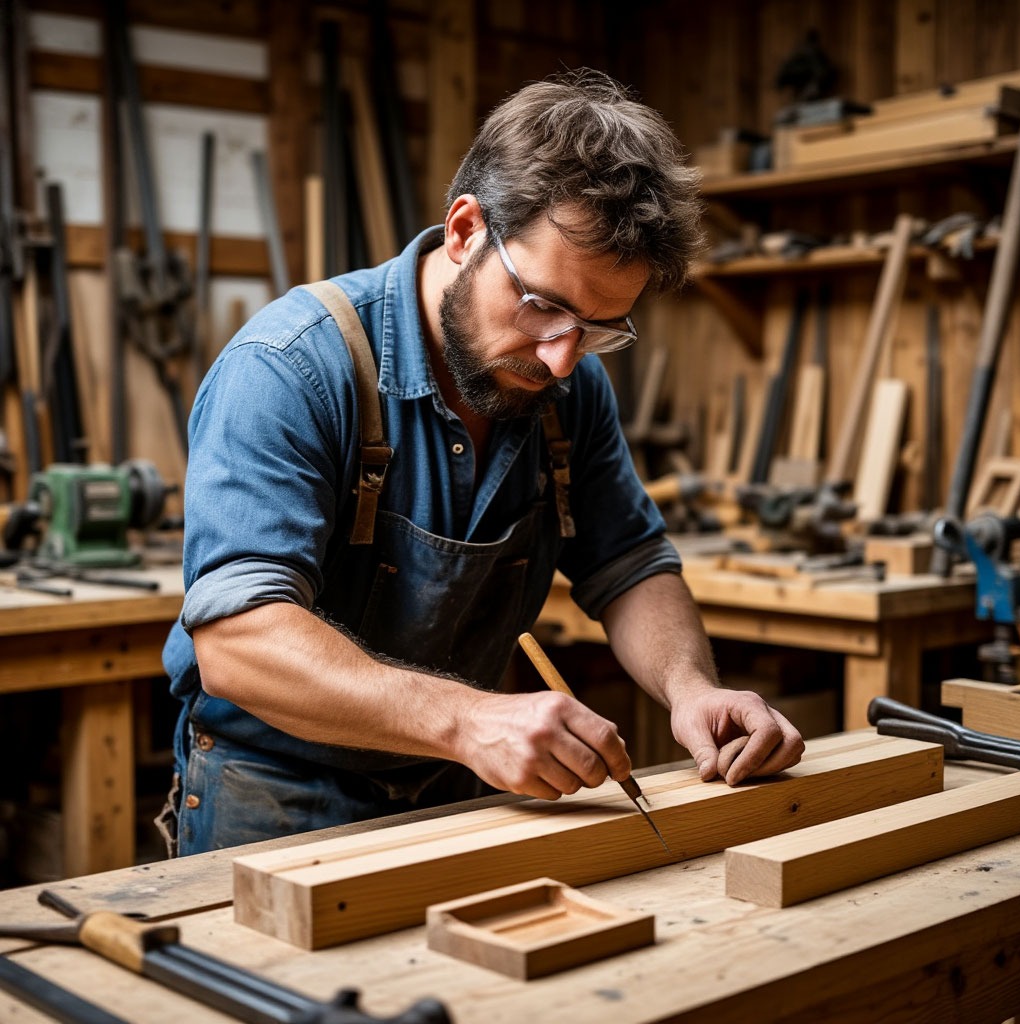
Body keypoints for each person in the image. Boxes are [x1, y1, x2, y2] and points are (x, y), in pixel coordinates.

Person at [160, 68, 804, 857]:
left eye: (602, 327)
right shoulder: (290, 368)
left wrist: (691, 688)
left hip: (454, 784)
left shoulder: (568, 388)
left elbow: (630, 562)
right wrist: (469, 720)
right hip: (275, 792)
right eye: (544, 305)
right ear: (465, 230)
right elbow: (238, 641)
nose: (564, 359)